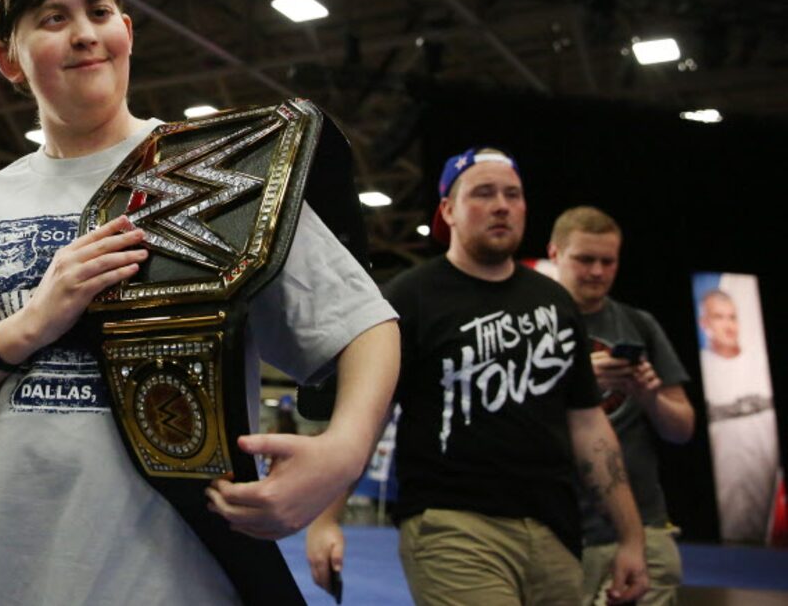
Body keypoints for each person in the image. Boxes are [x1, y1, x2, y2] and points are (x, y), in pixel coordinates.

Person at [0, 0, 399, 604]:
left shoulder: (220, 176)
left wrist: (344, 451)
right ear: (8, 59)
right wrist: (26, 326)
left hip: (181, 579)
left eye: (97, 12)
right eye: (52, 18)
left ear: (126, 32)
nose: (83, 34)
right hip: (2, 578)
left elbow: (366, 325)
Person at [306, 148, 649, 606]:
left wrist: (632, 538)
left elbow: (589, 426)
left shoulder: (555, 302)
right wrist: (327, 517)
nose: (502, 205)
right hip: (452, 525)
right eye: (483, 193)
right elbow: (369, 415)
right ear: (447, 210)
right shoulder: (409, 298)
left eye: (513, 194)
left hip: (556, 531)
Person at [548, 206, 694, 605]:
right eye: (585, 259)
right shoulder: (531, 325)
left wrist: (649, 396)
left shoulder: (639, 325)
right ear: (555, 254)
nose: (597, 271)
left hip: (644, 526)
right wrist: (577, 380)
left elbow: (681, 429)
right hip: (554, 532)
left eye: (607, 261)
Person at [698, 286, 781, 542]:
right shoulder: (702, 369)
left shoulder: (761, 363)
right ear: (705, 323)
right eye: (719, 317)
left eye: (732, 317)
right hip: (723, 502)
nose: (728, 325)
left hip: (770, 499)